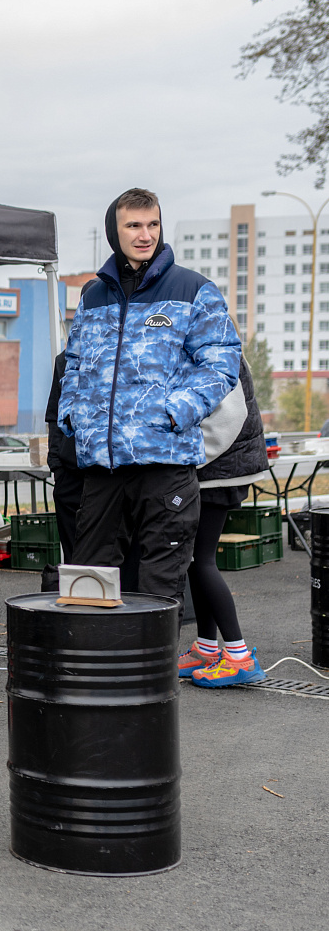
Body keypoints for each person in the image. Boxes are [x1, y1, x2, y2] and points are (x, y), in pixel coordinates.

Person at [57, 188, 240, 602]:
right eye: (134, 225)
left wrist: (175, 412)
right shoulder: (93, 295)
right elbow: (75, 361)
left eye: (153, 224)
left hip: (165, 461)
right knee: (90, 582)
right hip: (103, 465)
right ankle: (97, 649)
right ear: (114, 231)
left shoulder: (194, 289)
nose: (145, 234)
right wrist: (74, 414)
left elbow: (221, 364)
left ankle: (155, 650)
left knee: (160, 585)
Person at [180, 359, 270, 686]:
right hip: (218, 470)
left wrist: (185, 457)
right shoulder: (213, 344)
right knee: (196, 561)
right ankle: (206, 649)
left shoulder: (217, 347)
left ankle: (238, 656)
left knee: (201, 560)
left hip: (217, 471)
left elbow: (229, 418)